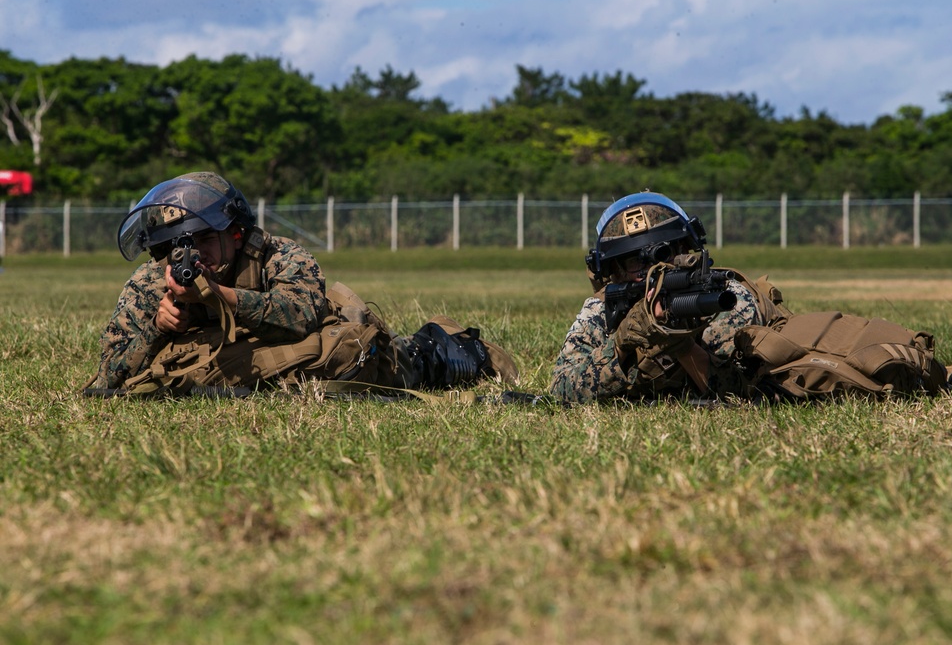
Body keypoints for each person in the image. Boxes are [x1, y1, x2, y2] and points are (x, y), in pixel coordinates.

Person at [85, 171, 517, 396]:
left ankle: (442, 345)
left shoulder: (277, 255)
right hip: (254, 372)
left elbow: (303, 315)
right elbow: (106, 378)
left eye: (203, 240)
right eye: (176, 247)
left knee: (396, 364)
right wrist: (159, 328)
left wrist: (224, 297)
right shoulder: (149, 282)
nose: (193, 255)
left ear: (234, 233)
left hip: (317, 358)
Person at [550, 191, 792, 404]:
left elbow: (741, 394)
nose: (653, 269)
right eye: (635, 260)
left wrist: (679, 342)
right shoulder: (602, 310)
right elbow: (561, 388)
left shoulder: (725, 300)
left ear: (684, 251)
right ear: (616, 271)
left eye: (662, 253)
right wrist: (621, 344)